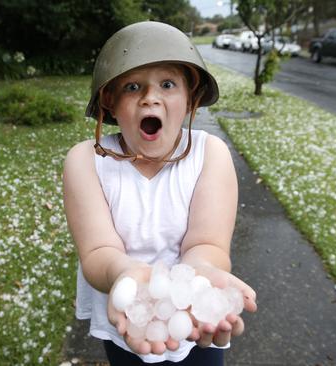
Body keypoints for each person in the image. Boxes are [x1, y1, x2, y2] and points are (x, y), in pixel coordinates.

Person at [63, 21, 257, 365]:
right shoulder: (86, 162)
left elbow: (207, 244)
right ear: (109, 100)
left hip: (197, 324)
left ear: (189, 97)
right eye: (133, 86)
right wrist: (124, 277)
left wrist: (199, 276)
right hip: (126, 320)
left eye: (167, 84)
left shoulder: (210, 155)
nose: (150, 97)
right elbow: (98, 251)